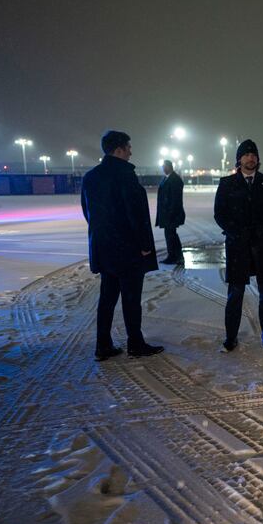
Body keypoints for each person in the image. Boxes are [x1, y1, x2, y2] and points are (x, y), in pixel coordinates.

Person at [81, 130, 164, 360]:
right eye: (128, 147)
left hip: (103, 248)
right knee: (131, 299)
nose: (130, 151)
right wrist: (145, 244)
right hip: (127, 249)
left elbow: (88, 213)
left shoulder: (91, 177)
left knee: (107, 299)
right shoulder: (125, 176)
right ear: (118, 150)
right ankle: (135, 343)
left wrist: (104, 236)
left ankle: (103, 345)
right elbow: (135, 214)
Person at [213, 139, 263, 352]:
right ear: (239, 159)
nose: (250, 157)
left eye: (253, 154)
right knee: (235, 294)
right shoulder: (227, 184)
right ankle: (231, 337)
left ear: (258, 158)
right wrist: (235, 231)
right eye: (246, 154)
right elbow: (220, 214)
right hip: (238, 247)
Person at [155, 159, 185, 264]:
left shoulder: (175, 179)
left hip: (171, 214)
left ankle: (173, 256)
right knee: (171, 234)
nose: (163, 169)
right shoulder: (167, 178)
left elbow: (175, 199)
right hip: (167, 213)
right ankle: (176, 255)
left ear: (169, 167)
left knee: (170, 235)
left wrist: (171, 213)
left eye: (164, 167)